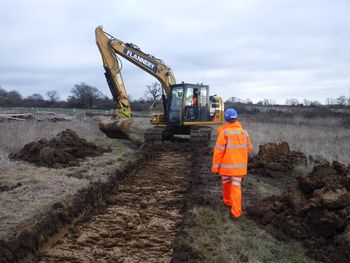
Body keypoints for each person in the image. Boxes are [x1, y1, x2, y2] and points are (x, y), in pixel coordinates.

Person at [211, 108, 252, 219]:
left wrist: (215, 168)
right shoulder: (244, 133)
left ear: (226, 119)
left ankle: (227, 201)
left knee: (226, 182)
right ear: (236, 118)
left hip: (226, 167)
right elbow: (249, 149)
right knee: (236, 187)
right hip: (239, 168)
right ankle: (236, 212)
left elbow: (218, 152)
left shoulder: (224, 133)